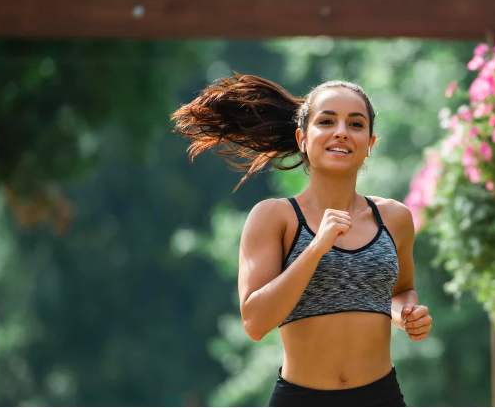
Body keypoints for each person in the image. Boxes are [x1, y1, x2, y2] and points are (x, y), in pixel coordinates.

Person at [172, 75, 433, 407]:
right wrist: (316, 247)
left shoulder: (394, 218)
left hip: (380, 396)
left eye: (356, 124)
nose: (341, 131)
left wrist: (407, 313)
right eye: (326, 121)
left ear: (370, 143)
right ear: (302, 138)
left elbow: (399, 293)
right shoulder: (274, 217)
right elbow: (255, 322)